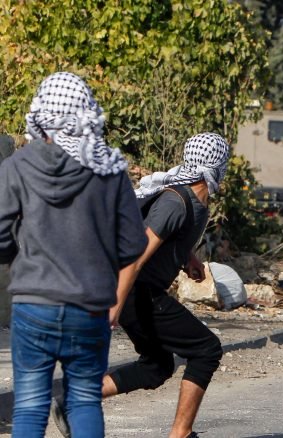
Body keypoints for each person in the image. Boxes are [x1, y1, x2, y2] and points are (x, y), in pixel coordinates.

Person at [0, 71, 147, 437]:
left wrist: (22, 254)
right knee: (83, 401)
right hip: (90, 307)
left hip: (33, 305)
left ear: (41, 112)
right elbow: (133, 244)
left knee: (29, 406)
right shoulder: (108, 167)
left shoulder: (17, 166)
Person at [76, 133, 228, 438]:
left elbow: (166, 236)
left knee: (156, 367)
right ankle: (180, 434)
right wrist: (115, 306)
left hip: (139, 291)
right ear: (216, 166)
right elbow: (135, 257)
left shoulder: (195, 201)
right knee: (206, 349)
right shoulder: (176, 202)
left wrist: (188, 258)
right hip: (135, 291)